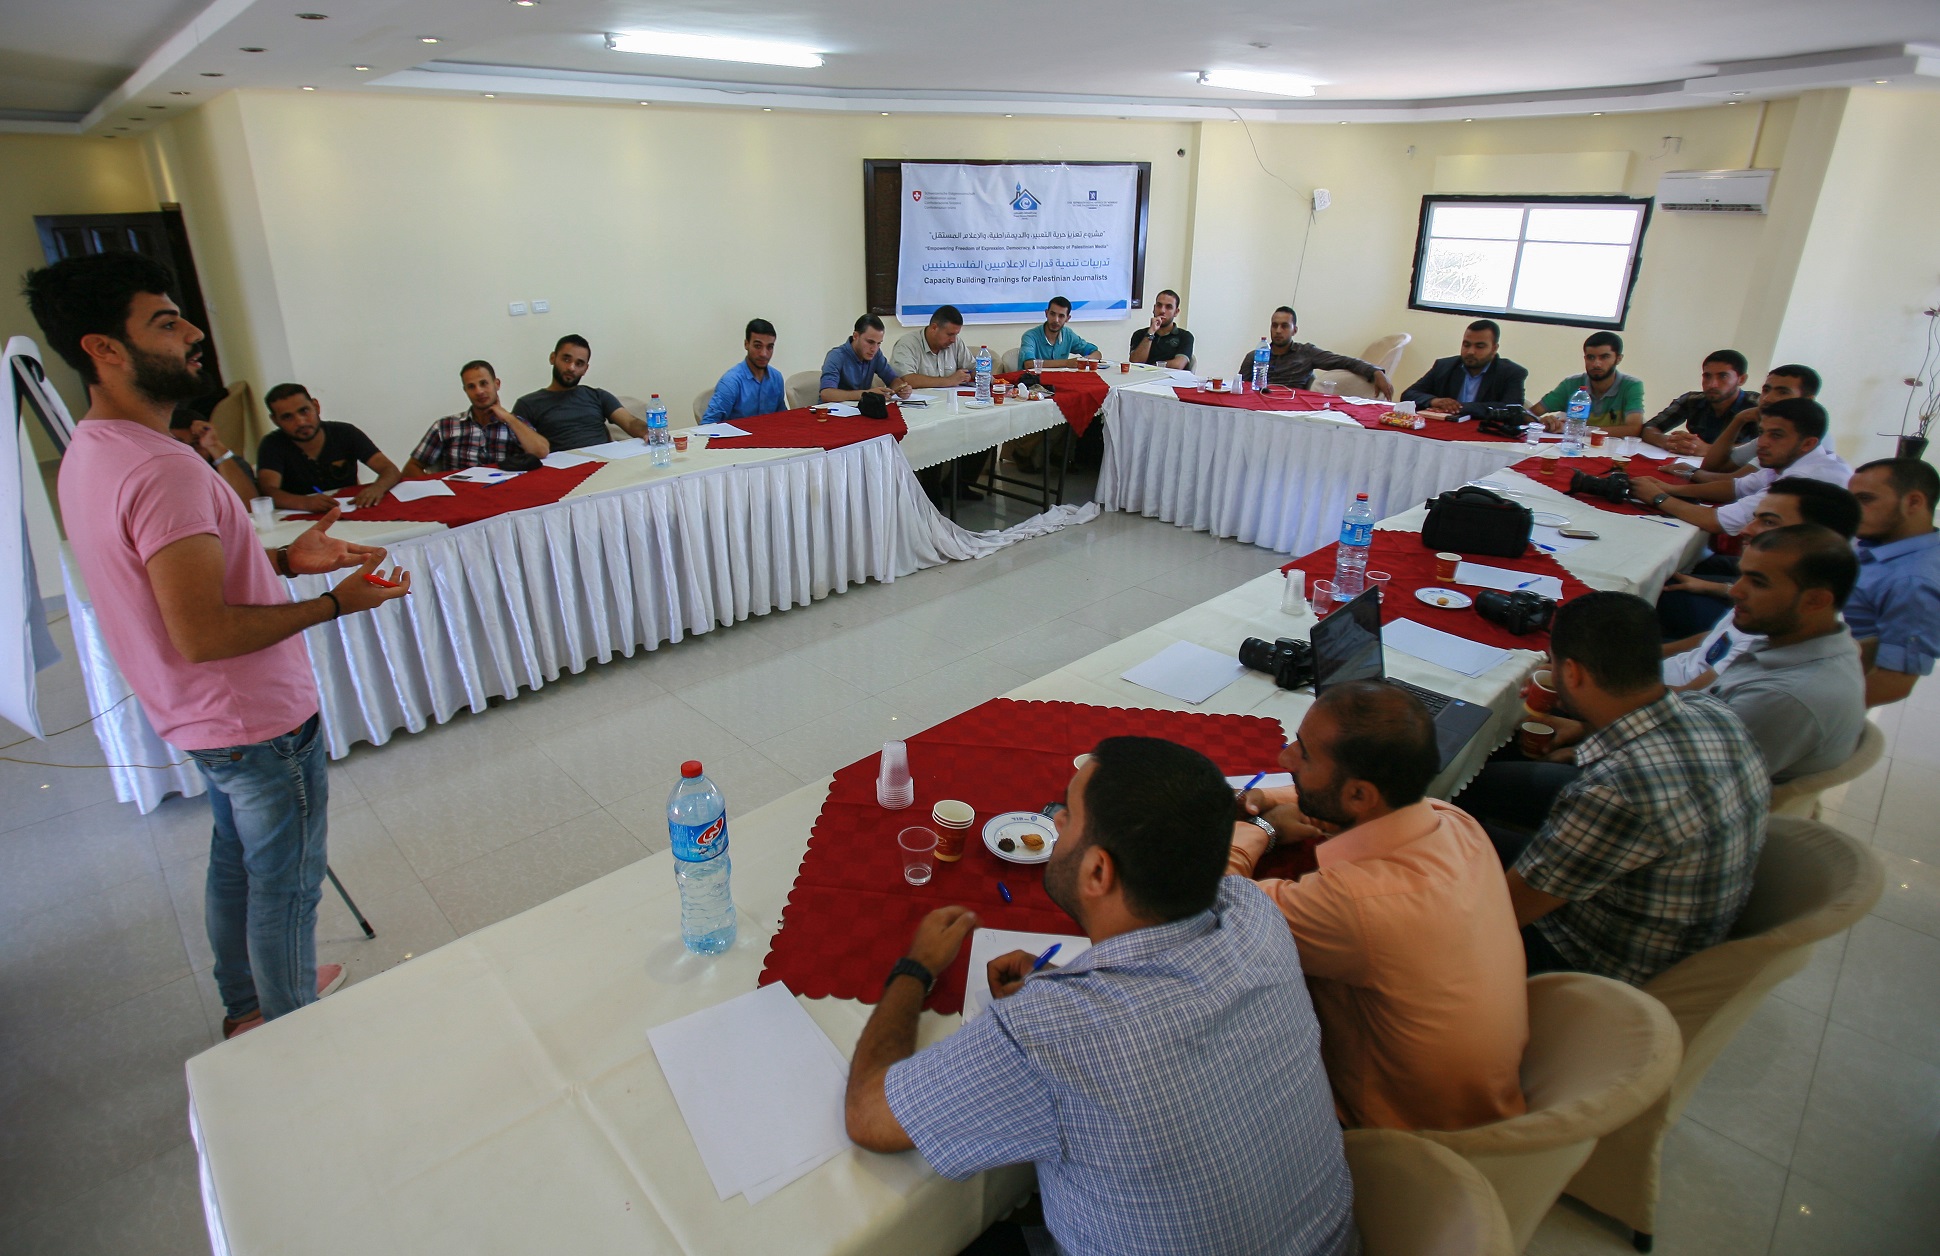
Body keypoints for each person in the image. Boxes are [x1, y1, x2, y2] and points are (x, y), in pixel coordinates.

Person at [24, 251, 411, 1037]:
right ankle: (289, 1036)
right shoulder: (162, 469)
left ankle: (249, 1006)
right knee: (287, 885)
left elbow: (174, 582)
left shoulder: (91, 450)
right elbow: (202, 632)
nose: (193, 334)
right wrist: (335, 603)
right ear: (104, 349)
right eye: (165, 323)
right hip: (252, 718)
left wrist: (281, 562)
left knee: (236, 862)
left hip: (200, 716)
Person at [844, 737, 1355, 1256]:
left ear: (1098, 872)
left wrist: (915, 968)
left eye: (1068, 816)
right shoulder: (1254, 913)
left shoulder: (1052, 1030)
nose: (1056, 822)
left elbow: (869, 1117)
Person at [1228, 682, 1528, 1132]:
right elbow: (1360, 807)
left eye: (1304, 754)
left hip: (1399, 1140)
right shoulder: (1454, 822)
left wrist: (1263, 830)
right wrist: (1276, 797)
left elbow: (1222, 902)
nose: (1284, 758)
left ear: (1358, 796)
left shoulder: (1354, 904)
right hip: (1482, 1100)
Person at [1454, 592, 1770, 985]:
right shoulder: (1715, 713)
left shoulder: (1616, 792)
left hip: (1591, 965)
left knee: (1431, 854)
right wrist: (1581, 719)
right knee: (1466, 810)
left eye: (1554, 663)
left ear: (1573, 673)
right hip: (1669, 924)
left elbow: (1501, 914)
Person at [1695, 525, 1866, 782]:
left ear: (1815, 601)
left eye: (1758, 582)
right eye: (1742, 575)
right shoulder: (1798, 640)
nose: (1736, 591)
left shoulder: (1785, 698)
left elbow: (1689, 778)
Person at [1661, 478, 1861, 687]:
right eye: (1755, 518)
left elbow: (1685, 697)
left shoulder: (1779, 616)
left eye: (1769, 522)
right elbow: (1717, 639)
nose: (1746, 530)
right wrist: (1648, 655)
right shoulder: (1772, 591)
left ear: (1813, 537)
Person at [1630, 398, 1853, 538]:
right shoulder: (1796, 459)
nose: (1762, 443)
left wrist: (1658, 497)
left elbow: (1715, 521)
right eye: (1762, 432)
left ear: (1808, 443)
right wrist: (1670, 488)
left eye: (1776, 435)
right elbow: (1735, 487)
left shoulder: (1804, 480)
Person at [1846, 458, 1940, 707]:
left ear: (1914, 502)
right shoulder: (1881, 542)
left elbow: (1893, 683)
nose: (1852, 510)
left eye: (1865, 499)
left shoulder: (1913, 582)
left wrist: (1811, 714)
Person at [891, 306, 988, 500]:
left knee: (985, 425)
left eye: (956, 334)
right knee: (934, 432)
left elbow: (972, 367)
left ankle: (959, 485)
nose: (953, 340)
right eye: (950, 334)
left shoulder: (955, 343)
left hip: (951, 405)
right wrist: (949, 380)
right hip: (918, 410)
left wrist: (981, 373)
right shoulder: (907, 344)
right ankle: (930, 493)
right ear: (934, 327)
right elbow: (906, 379)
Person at [255, 384, 403, 512]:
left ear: (316, 406)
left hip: (351, 513)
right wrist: (305, 503)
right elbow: (268, 492)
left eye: (304, 411)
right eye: (288, 417)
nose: (300, 422)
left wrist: (377, 488)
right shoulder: (272, 445)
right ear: (275, 420)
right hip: (301, 521)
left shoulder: (345, 433)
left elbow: (390, 469)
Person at [403, 360, 549, 475]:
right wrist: (436, 490)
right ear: (465, 390)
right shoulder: (445, 426)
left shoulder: (515, 424)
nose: (479, 391)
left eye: (484, 383)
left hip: (503, 494)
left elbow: (541, 451)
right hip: (458, 496)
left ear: (497, 384)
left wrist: (508, 417)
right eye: (471, 387)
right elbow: (412, 467)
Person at [512, 334, 647, 450]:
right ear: (553, 358)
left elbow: (630, 422)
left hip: (605, 463)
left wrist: (649, 432)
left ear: (585, 369)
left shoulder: (598, 396)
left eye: (579, 363)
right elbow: (518, 447)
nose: (571, 368)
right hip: (561, 467)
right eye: (566, 359)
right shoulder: (528, 404)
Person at [1239, 306, 1393, 399]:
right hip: (1258, 407)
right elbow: (1240, 388)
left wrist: (1376, 372)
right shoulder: (1255, 356)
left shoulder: (1306, 353)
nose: (1278, 331)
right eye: (1274, 325)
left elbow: (1344, 361)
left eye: (1284, 326)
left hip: (1291, 410)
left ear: (1294, 330)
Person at [1694, 364, 1822, 473]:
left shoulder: (1809, 436)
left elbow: (1733, 483)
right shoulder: (1768, 433)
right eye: (1766, 390)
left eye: (1782, 392)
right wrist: (1739, 419)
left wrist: (1689, 472)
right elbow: (1711, 468)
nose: (1767, 399)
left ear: (1807, 401)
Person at [1642, 350, 1760, 454]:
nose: (1712, 384)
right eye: (1707, 376)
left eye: (1722, 376)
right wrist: (1668, 442)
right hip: (1692, 464)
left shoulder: (1758, 405)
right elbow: (1648, 428)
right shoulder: (1692, 400)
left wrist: (1709, 450)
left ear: (1741, 379)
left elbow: (1761, 446)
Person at [1399, 319, 1527, 415]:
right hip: (1445, 430)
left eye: (1479, 346)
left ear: (1494, 349)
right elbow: (1408, 395)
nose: (1470, 351)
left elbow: (1511, 409)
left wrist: (1460, 407)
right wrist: (1435, 401)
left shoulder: (1512, 373)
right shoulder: (1444, 366)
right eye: (1466, 345)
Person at [1530, 331, 1645, 434]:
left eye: (1604, 357)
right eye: (1591, 357)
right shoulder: (1570, 384)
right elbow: (1529, 414)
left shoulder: (1631, 386)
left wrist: (1574, 429)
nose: (1596, 364)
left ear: (1618, 359)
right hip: (1573, 447)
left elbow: (1634, 429)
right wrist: (1542, 422)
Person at [702, 318, 786, 424]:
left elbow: (783, 418)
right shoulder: (731, 382)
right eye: (758, 346)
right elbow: (707, 424)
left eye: (769, 347)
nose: (764, 354)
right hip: (737, 434)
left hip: (768, 433)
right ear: (746, 344)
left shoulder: (776, 378)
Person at [169, 404, 258, 502]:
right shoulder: (162, 471)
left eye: (196, 443)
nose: (189, 452)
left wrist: (214, 445)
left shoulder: (229, 463)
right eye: (179, 445)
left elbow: (248, 505)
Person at [820, 314, 912, 403]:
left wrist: (901, 388)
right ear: (855, 336)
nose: (874, 349)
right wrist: (866, 394)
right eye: (870, 342)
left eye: (879, 343)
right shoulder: (836, 356)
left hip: (859, 409)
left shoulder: (876, 354)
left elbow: (892, 379)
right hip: (834, 410)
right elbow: (826, 394)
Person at [1019, 295, 1101, 369]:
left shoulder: (1068, 335)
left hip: (1061, 379)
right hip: (1035, 380)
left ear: (1067, 319)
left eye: (1061, 316)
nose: (1056, 320)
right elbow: (1029, 364)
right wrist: (1067, 363)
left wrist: (1086, 359)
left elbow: (1096, 353)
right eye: (1052, 314)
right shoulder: (1030, 336)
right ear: (1046, 313)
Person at [1128, 289, 1193, 369]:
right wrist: (1151, 333)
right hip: (1143, 376)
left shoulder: (1185, 336)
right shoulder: (1139, 334)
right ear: (1154, 308)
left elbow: (1178, 365)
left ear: (1176, 312)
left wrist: (1151, 367)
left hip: (1170, 376)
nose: (1162, 311)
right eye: (1159, 305)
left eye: (1168, 307)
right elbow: (1135, 362)